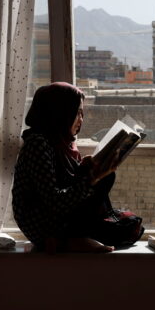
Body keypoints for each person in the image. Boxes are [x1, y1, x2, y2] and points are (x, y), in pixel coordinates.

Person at [12, 82, 136, 253]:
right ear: (60, 113)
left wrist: (82, 168)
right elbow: (55, 201)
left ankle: (75, 238)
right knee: (117, 228)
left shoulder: (62, 142)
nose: (81, 119)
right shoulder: (37, 143)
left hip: (63, 217)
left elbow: (66, 182)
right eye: (77, 112)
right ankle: (67, 240)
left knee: (129, 226)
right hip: (44, 222)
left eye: (82, 113)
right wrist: (92, 177)